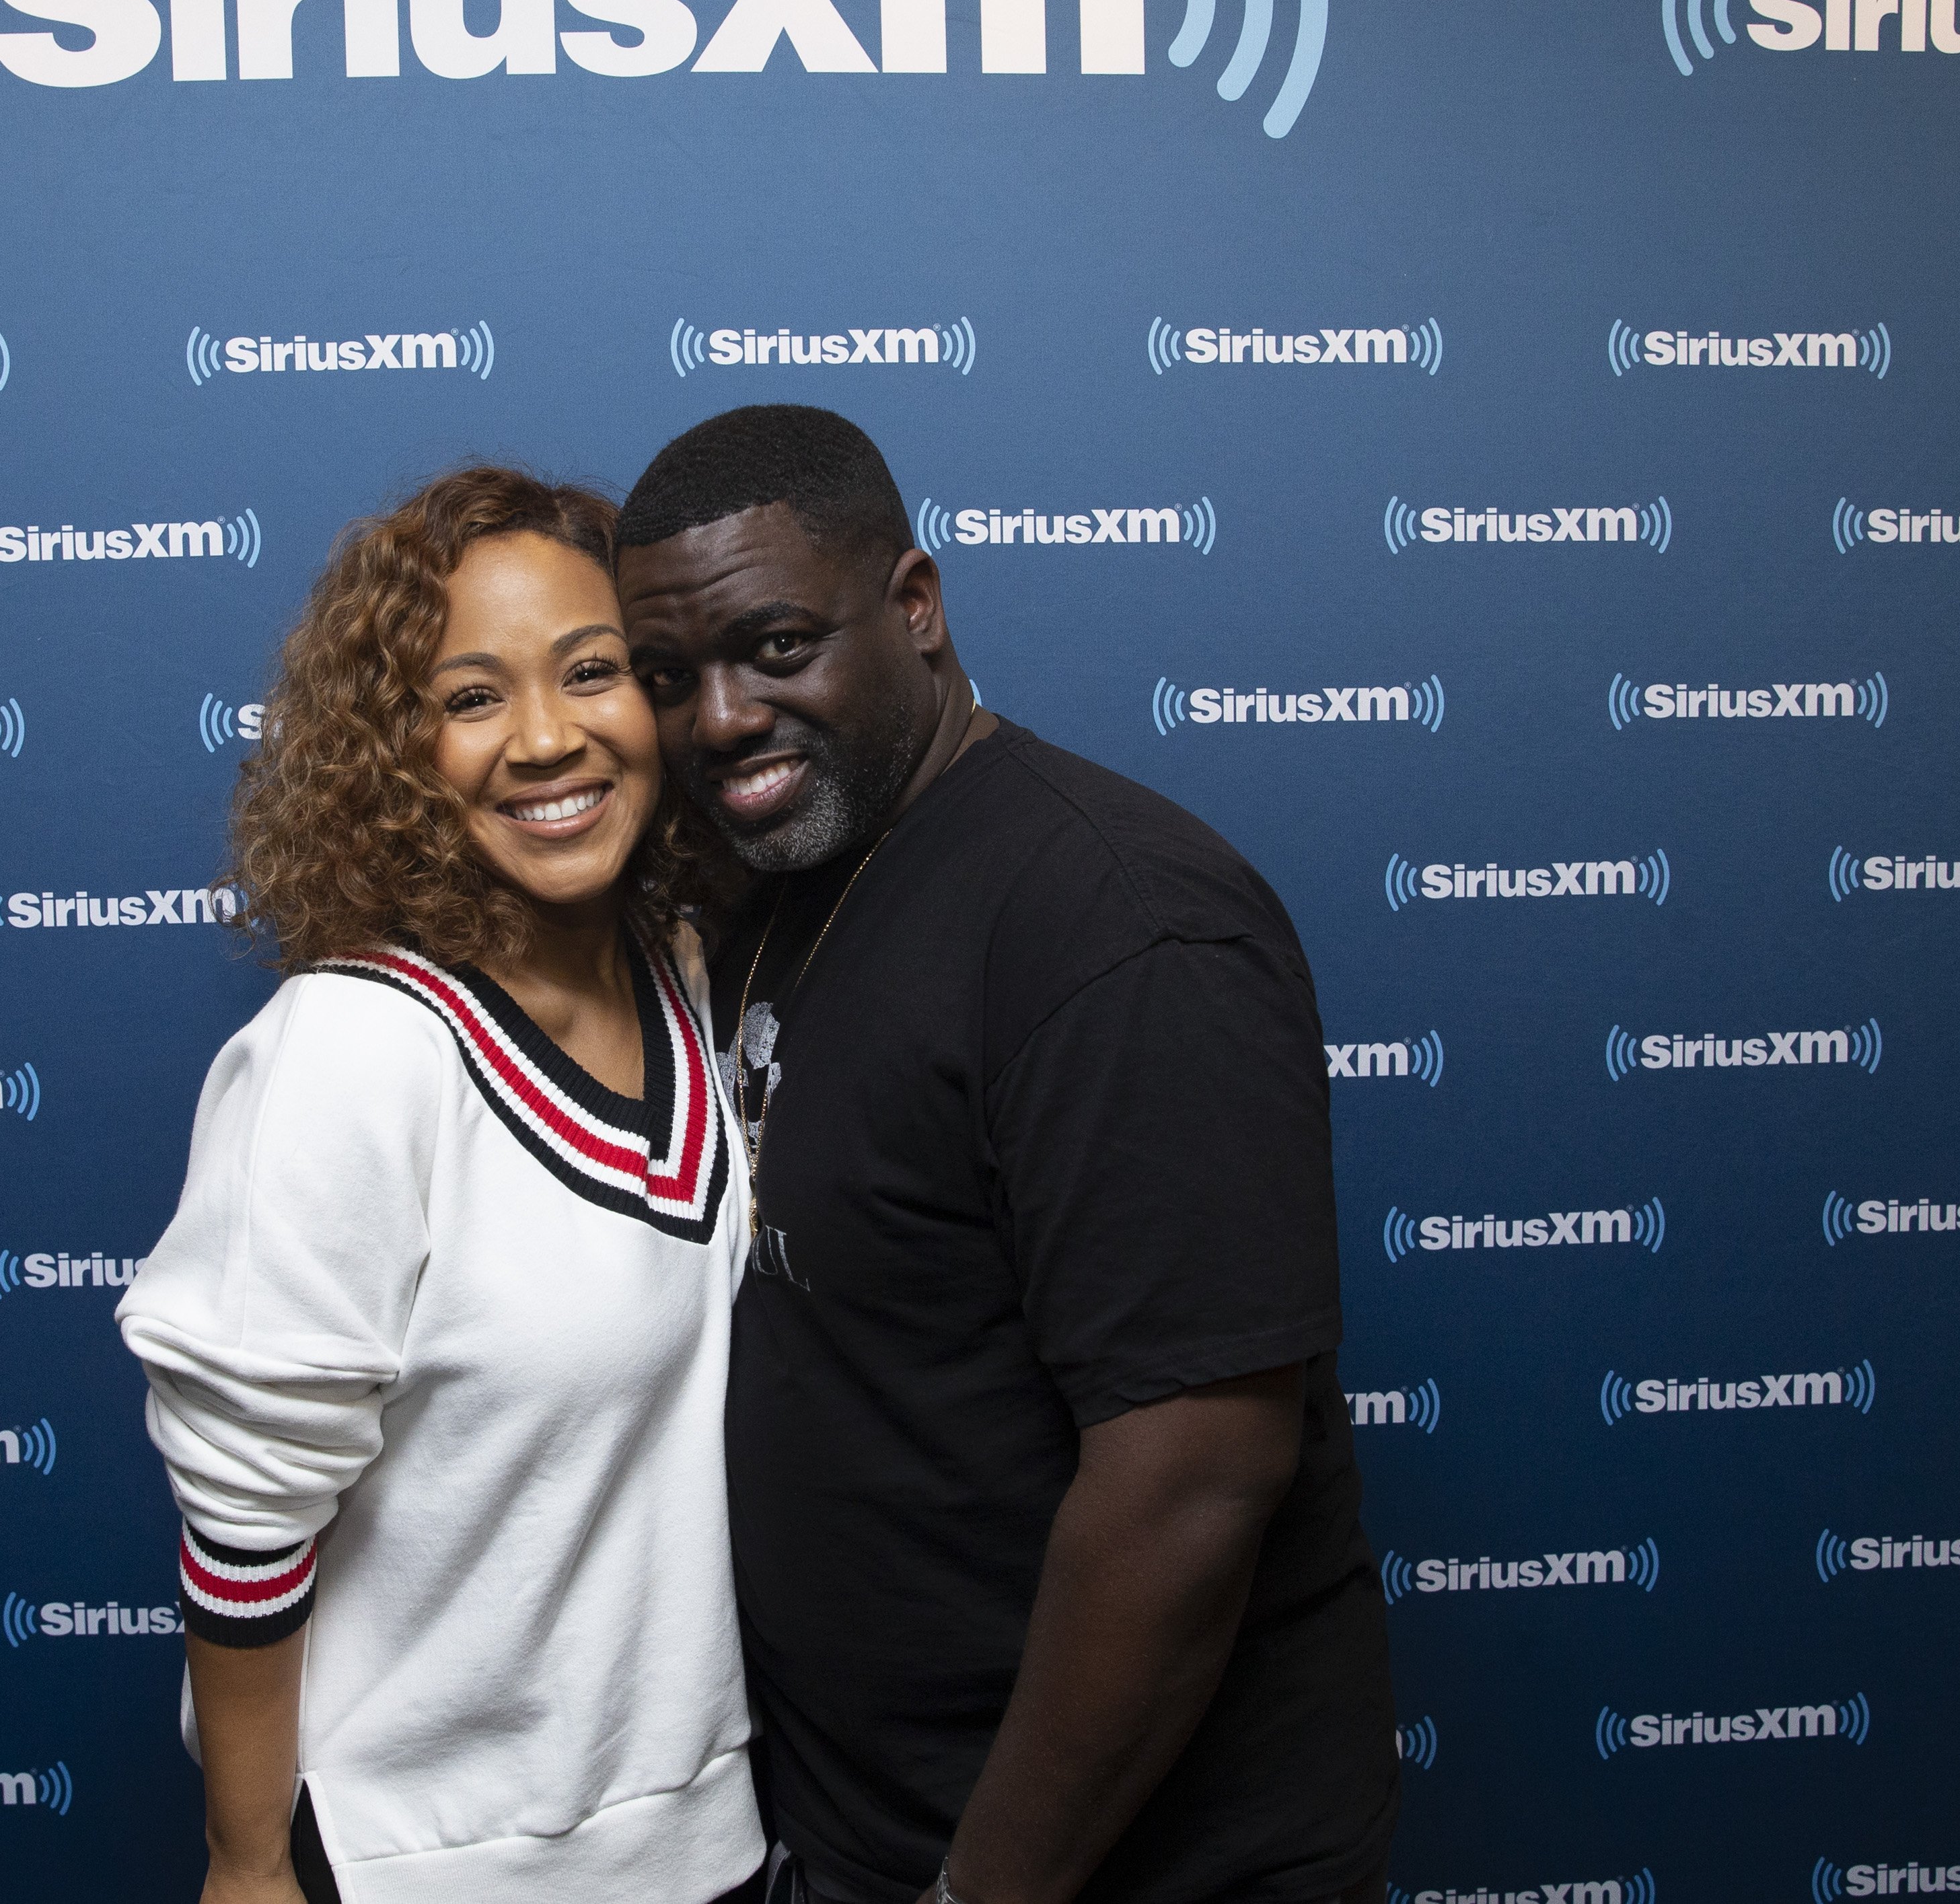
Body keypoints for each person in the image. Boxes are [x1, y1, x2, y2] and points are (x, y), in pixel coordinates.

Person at [614, 406, 1396, 1904]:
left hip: (1118, 1865)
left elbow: (1192, 1482)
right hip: (865, 1831)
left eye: (774, 646)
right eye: (668, 677)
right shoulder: (795, 880)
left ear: (914, 606)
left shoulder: (1115, 923)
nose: (715, 717)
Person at [117, 466, 767, 1904]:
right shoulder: (348, 1055)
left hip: (707, 1837)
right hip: (426, 1858)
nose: (546, 739)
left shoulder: (697, 977)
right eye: (471, 697)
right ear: (394, 750)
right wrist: (243, 1864)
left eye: (591, 672)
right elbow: (242, 1517)